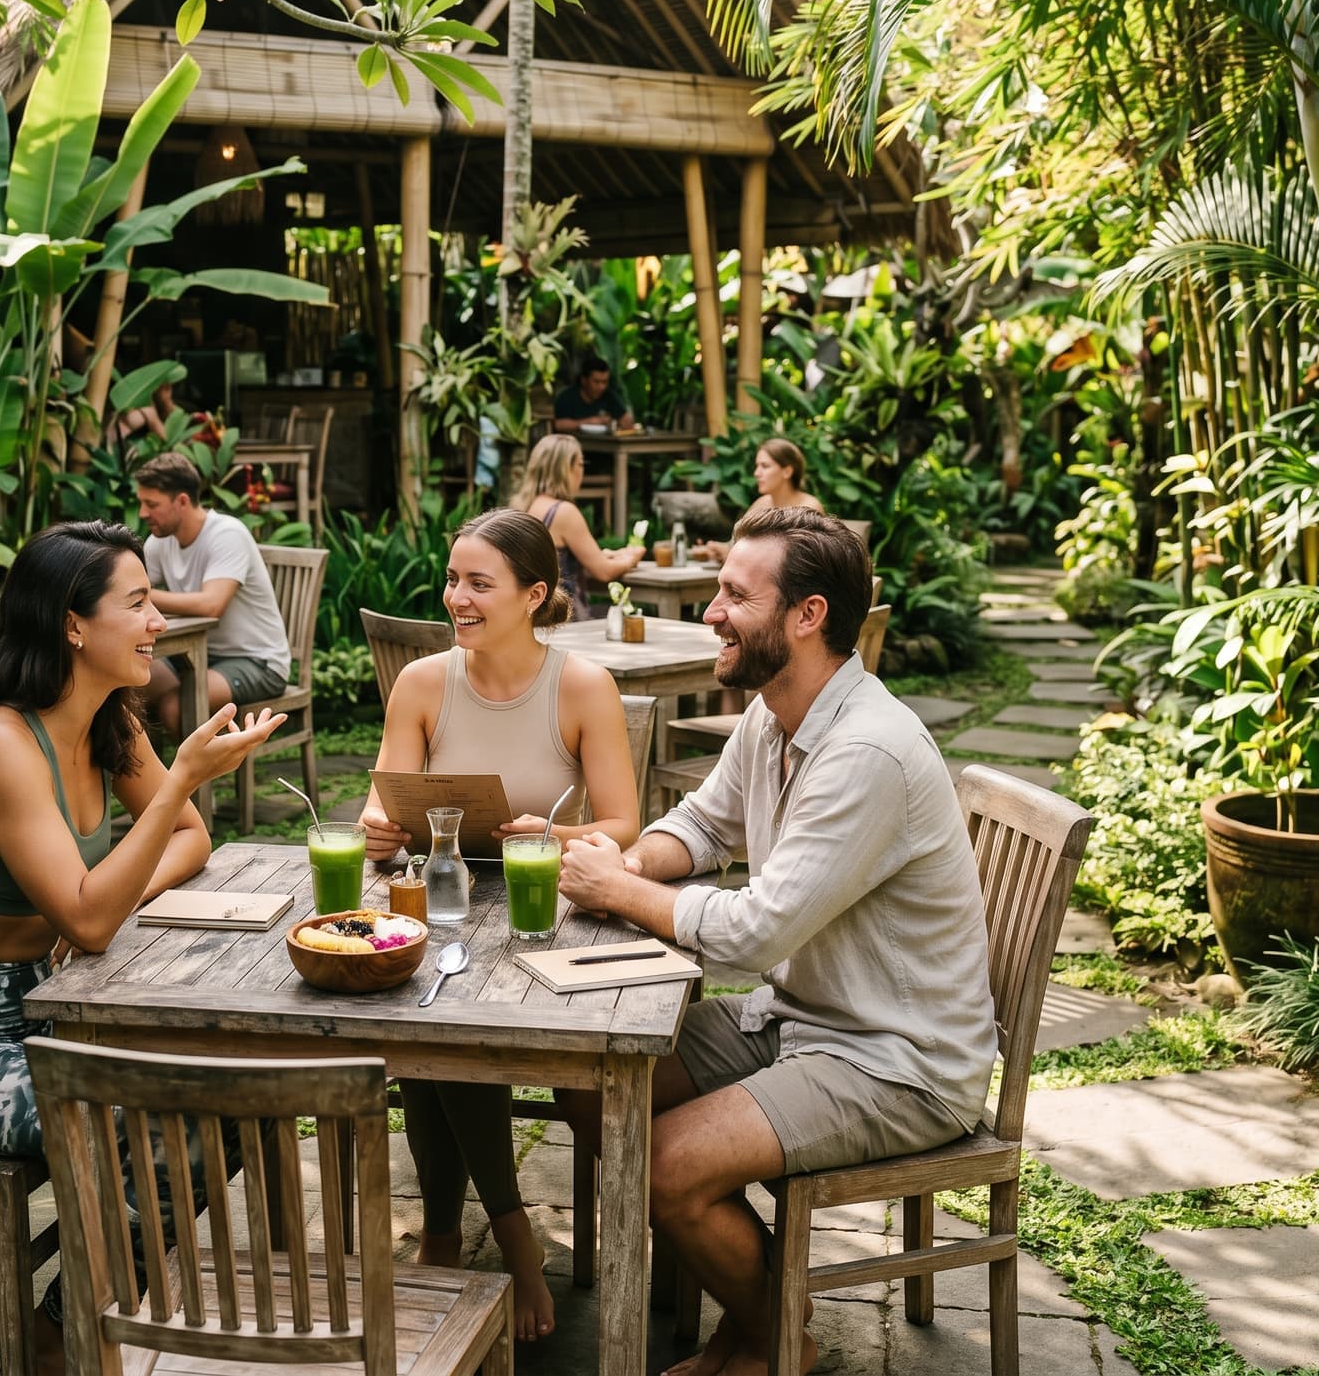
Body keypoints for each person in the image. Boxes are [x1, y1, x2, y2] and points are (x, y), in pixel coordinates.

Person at [555, 509, 995, 1376]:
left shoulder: (867, 750)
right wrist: (631, 855)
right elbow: (702, 824)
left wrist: (621, 891)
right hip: (799, 1016)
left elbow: (754, 934)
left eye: (732, 595)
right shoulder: (774, 713)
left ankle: (767, 1334)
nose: (712, 612)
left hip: (898, 1058)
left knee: (669, 1164)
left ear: (807, 615)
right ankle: (757, 1310)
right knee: (588, 1082)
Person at [0, 519, 284, 1375]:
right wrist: (173, 789)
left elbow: (191, 841)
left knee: (243, 1097)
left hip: (46, 1006)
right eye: (135, 604)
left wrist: (110, 882)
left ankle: (76, 1309)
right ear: (71, 623)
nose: (156, 622)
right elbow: (96, 918)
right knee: (170, 1127)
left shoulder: (110, 721)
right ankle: (73, 1330)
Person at [355, 508, 640, 1342]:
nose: (457, 597)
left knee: (448, 1019)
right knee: (427, 1001)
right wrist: (379, 823)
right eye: (453, 579)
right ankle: (482, 1233)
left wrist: (556, 833)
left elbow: (625, 822)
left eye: (479, 583)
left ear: (535, 594)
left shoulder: (583, 686)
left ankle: (472, 1235)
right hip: (438, 897)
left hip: (538, 912)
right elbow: (383, 795)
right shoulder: (422, 683)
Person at [131, 451, 293, 733]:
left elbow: (211, 605)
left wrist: (141, 594)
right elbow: (130, 588)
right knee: (127, 686)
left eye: (151, 504)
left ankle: (195, 778)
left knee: (175, 710)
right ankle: (145, 776)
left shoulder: (227, 534)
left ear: (182, 501)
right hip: (192, 657)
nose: (143, 513)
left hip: (257, 662)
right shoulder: (160, 542)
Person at [511, 434, 646, 621]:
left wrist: (609, 554)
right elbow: (603, 571)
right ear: (566, 469)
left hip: (534, 617)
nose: (582, 471)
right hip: (564, 618)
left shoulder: (524, 508)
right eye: (580, 464)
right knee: (631, 619)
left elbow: (560, 561)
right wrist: (632, 557)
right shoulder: (563, 511)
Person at [695, 438, 826, 564]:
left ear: (787, 471)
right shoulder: (761, 504)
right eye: (757, 466)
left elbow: (802, 561)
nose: (757, 473)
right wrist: (717, 550)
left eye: (765, 466)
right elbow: (737, 543)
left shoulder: (809, 507)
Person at [550, 355, 634, 433]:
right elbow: (558, 425)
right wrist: (589, 422)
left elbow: (626, 420)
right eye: (596, 382)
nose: (601, 387)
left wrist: (618, 422)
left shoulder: (608, 396)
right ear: (584, 380)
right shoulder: (567, 396)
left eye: (604, 382)